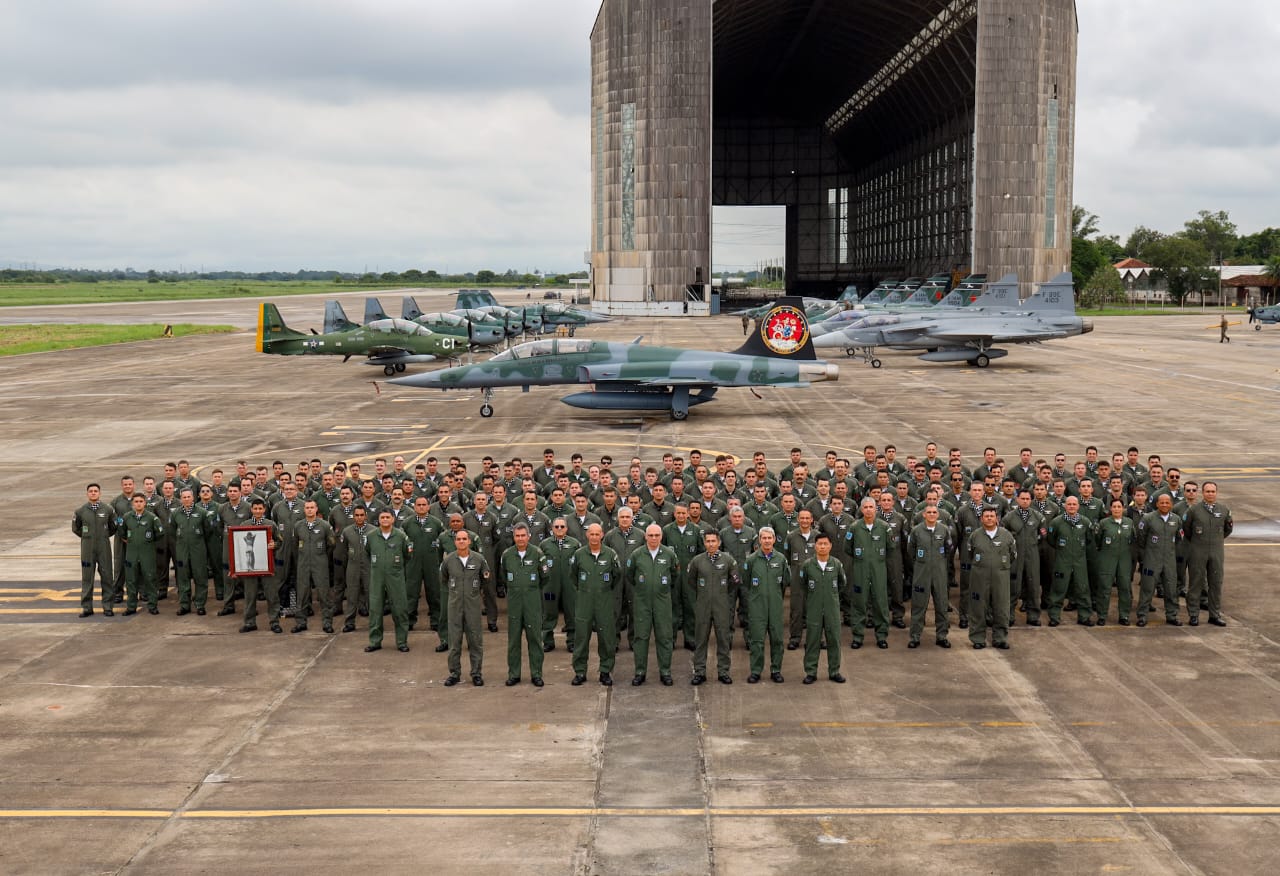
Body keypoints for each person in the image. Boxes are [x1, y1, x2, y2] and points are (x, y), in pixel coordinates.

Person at [626, 523, 678, 686]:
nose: (654, 538)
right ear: (645, 537)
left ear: (661, 537)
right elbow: (630, 575)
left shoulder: (669, 554)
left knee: (664, 637)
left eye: (657, 535)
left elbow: (675, 576)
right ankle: (640, 672)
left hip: (662, 602)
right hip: (642, 602)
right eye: (651, 535)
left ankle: (665, 672)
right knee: (641, 637)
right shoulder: (636, 554)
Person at [570, 523, 622, 686]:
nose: (594, 537)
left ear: (602, 535)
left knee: (606, 637)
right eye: (591, 534)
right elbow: (573, 577)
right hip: (584, 601)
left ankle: (605, 671)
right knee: (581, 637)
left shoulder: (610, 554)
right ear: (587, 536)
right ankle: (580, 671)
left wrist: (604, 590)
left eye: (596, 534)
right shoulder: (579, 555)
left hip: (604, 600)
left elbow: (617, 576)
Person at [686, 530, 740, 685]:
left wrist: (722, 593)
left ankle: (723, 671)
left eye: (713, 541)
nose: (710, 544)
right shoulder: (697, 561)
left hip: (721, 605)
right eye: (708, 541)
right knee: (701, 639)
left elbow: (735, 580)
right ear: (704, 543)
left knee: (723, 639)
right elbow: (691, 581)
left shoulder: (728, 560)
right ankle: (700, 672)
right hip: (703, 606)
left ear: (719, 542)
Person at [499, 523, 549, 686]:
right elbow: (504, 576)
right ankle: (514, 673)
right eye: (517, 536)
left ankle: (536, 674)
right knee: (513, 640)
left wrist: (530, 589)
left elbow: (545, 577)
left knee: (534, 638)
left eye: (523, 536)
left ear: (528, 536)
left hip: (532, 602)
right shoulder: (507, 555)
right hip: (514, 603)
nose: (520, 539)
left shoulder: (537, 553)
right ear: (513, 537)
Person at [440, 529, 490, 685]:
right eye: (458, 539)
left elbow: (486, 579)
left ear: (469, 541)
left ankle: (476, 673)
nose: (461, 541)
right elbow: (443, 579)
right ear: (455, 542)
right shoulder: (448, 561)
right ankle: (454, 673)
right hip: (454, 606)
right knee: (454, 642)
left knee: (475, 641)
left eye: (464, 539)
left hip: (473, 607)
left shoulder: (479, 559)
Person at [741, 526, 788, 683]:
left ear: (774, 540)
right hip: (757, 607)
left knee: (777, 640)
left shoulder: (781, 559)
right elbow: (746, 582)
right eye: (764, 538)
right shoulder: (751, 560)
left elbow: (785, 582)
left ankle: (776, 670)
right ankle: (755, 671)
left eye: (770, 538)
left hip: (775, 606)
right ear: (759, 540)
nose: (767, 541)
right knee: (757, 641)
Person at [798, 534, 846, 684]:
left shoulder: (836, 564)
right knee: (812, 640)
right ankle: (811, 672)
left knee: (834, 640)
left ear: (830, 546)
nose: (823, 547)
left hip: (832, 609)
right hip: (814, 609)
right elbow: (803, 585)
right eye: (819, 544)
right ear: (815, 546)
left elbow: (842, 584)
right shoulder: (807, 565)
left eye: (825, 544)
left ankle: (834, 671)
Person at [965, 507, 1016, 650]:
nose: (989, 518)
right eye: (986, 516)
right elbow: (970, 555)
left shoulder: (1006, 536)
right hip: (979, 577)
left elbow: (1012, 555)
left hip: (1001, 577)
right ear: (981, 519)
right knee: (978, 608)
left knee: (1001, 608)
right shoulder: (975, 536)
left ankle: (1000, 638)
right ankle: (978, 638)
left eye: (991, 516)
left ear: (997, 519)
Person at [1183, 482, 1232, 626]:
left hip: (1216, 551)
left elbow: (1228, 529)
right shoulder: (1193, 511)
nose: (1210, 494)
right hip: (1198, 550)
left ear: (1216, 493)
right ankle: (1193, 615)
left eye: (1213, 491)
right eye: (1207, 491)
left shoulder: (1224, 510)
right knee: (1196, 583)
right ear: (1202, 493)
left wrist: (1215, 540)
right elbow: (1187, 530)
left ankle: (1214, 615)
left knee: (1216, 583)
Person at [364, 510, 412, 653]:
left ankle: (402, 642)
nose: (385, 519)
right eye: (382, 517)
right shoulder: (371, 536)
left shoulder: (401, 536)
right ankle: (375, 641)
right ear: (378, 520)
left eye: (387, 517)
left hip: (395, 577)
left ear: (393, 519)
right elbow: (368, 553)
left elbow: (407, 556)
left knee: (400, 609)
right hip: (377, 577)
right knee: (375, 609)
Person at [906, 504, 952, 648]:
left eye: (934, 512)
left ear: (938, 515)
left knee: (942, 605)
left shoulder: (944, 530)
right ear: (924, 515)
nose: (932, 514)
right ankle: (915, 636)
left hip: (939, 573)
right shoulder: (916, 531)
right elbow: (911, 550)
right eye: (929, 512)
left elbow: (948, 549)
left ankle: (942, 636)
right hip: (921, 573)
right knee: (919, 605)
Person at [849, 497, 891, 649]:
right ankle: (858, 637)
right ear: (861, 509)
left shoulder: (884, 527)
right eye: (865, 507)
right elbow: (848, 548)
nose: (868, 510)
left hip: (879, 571)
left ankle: (881, 636)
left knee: (880, 603)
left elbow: (891, 548)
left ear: (875, 509)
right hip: (860, 570)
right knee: (859, 603)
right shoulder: (854, 527)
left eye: (871, 507)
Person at [1136, 493, 1182, 627]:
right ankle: (1142, 616)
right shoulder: (1148, 518)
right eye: (1161, 502)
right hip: (1152, 560)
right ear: (1157, 504)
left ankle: (1172, 615)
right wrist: (1148, 554)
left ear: (1171, 504)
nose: (1164, 505)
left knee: (1171, 590)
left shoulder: (1176, 519)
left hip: (1169, 561)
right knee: (1147, 589)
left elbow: (1179, 538)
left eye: (1167, 502)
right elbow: (1141, 538)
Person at [73, 483, 117, 617]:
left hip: (104, 547)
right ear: (87, 494)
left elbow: (113, 527)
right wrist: (88, 537)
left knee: (107, 577)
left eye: (95, 491)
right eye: (91, 491)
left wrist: (102, 536)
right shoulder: (80, 511)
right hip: (87, 548)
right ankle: (87, 607)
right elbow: (76, 528)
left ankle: (108, 607)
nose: (93, 493)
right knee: (87, 578)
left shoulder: (108, 510)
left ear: (100, 493)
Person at [293, 499, 336, 633]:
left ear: (316, 509)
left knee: (324, 594)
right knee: (302, 594)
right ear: (304, 510)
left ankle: (327, 623)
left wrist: (321, 555)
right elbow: (295, 545)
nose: (310, 510)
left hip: (320, 564)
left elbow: (331, 544)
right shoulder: (298, 526)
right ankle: (301, 622)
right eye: (307, 508)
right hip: (303, 563)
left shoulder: (324, 525)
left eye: (312, 507)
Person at [539, 518, 579, 653]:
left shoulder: (574, 544)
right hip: (550, 586)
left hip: (570, 585)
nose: (560, 529)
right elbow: (539, 564)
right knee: (549, 612)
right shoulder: (545, 545)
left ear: (567, 528)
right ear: (552, 529)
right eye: (556, 526)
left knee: (572, 612)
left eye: (562, 526)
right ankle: (548, 641)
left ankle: (572, 641)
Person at [1094, 498, 1136, 625]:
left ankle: (1124, 616)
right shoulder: (1104, 523)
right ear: (1110, 509)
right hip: (1107, 559)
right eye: (1114, 507)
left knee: (1124, 588)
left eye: (1119, 507)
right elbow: (1097, 540)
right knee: (1104, 588)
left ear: (1123, 509)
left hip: (1124, 560)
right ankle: (1102, 615)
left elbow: (1133, 539)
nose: (1117, 509)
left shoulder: (1129, 522)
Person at [169, 488, 209, 616]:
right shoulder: (176, 513)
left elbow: (208, 531)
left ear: (193, 498)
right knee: (182, 578)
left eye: (188, 497)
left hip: (198, 550)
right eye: (184, 497)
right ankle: (184, 605)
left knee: (200, 577)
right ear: (181, 499)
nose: (186, 499)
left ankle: (200, 604)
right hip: (182, 551)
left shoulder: (202, 512)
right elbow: (172, 532)